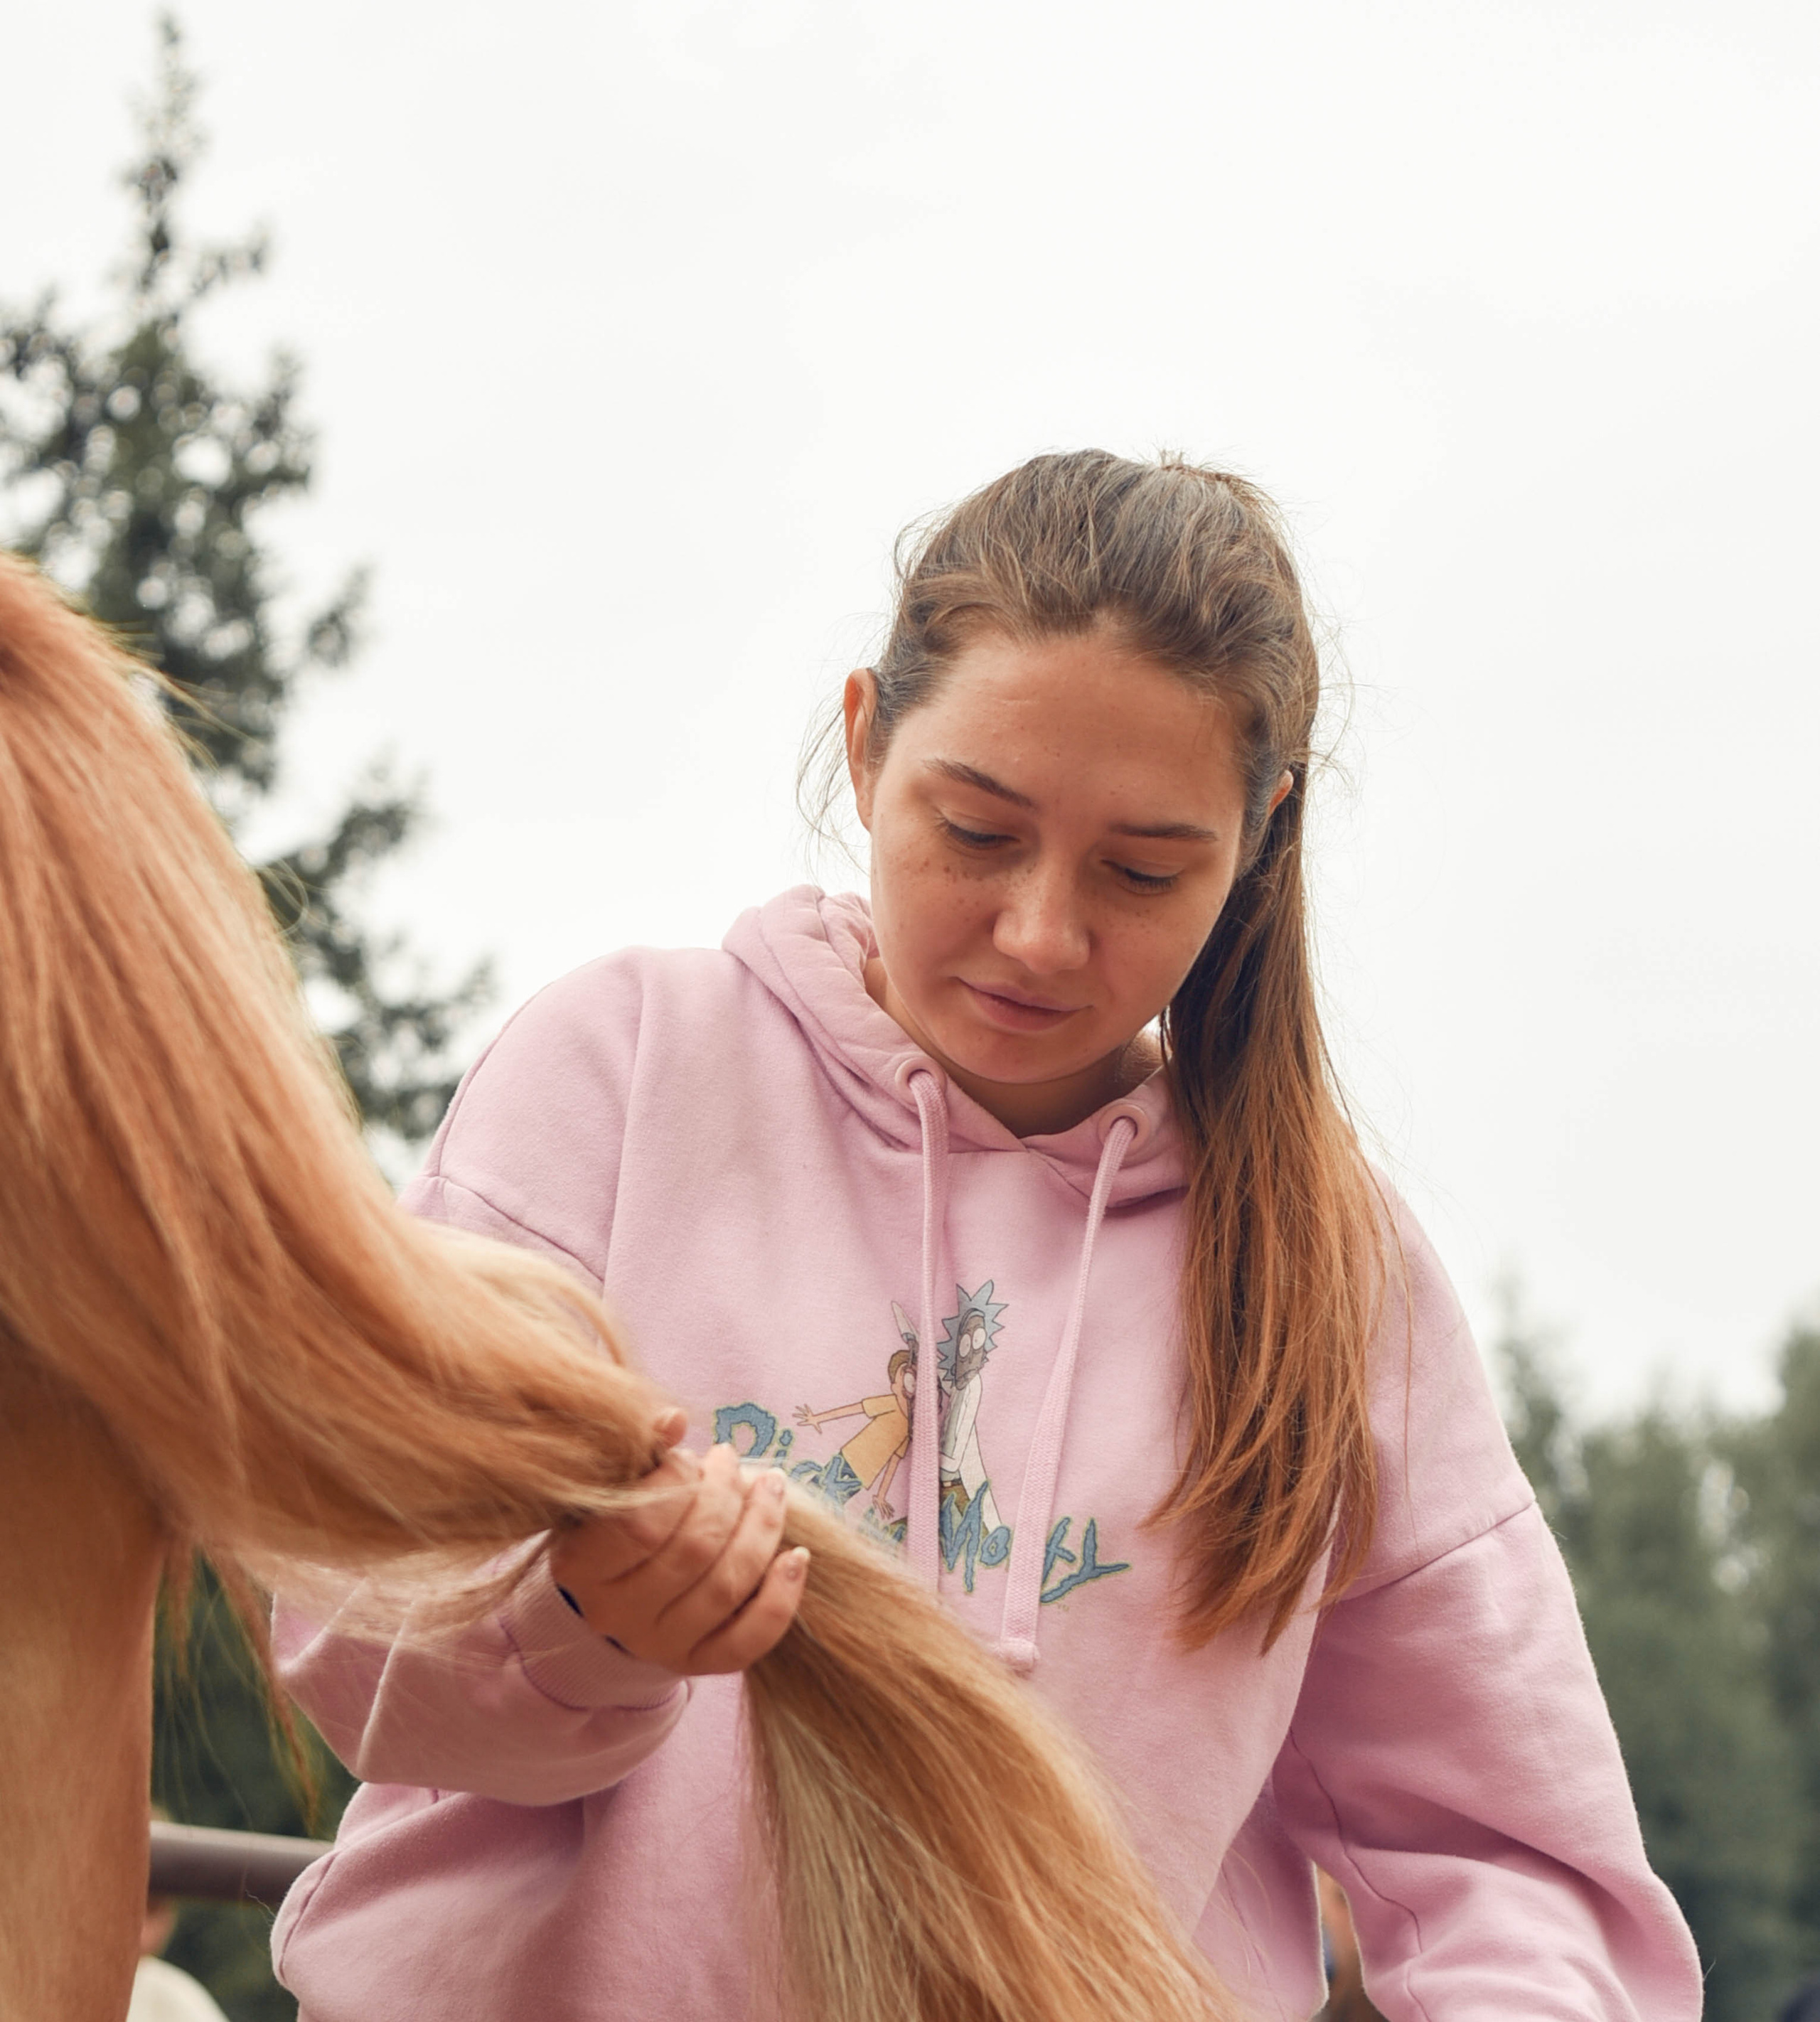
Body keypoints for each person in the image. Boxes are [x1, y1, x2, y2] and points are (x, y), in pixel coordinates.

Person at [272, 450, 1701, 2021]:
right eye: (974, 830)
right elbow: (354, 1630)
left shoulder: (1328, 1269)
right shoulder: (616, 1076)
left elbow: (1513, 1868)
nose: (1039, 932)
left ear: (1260, 838)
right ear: (864, 740)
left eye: (1143, 871)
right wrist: (580, 1634)